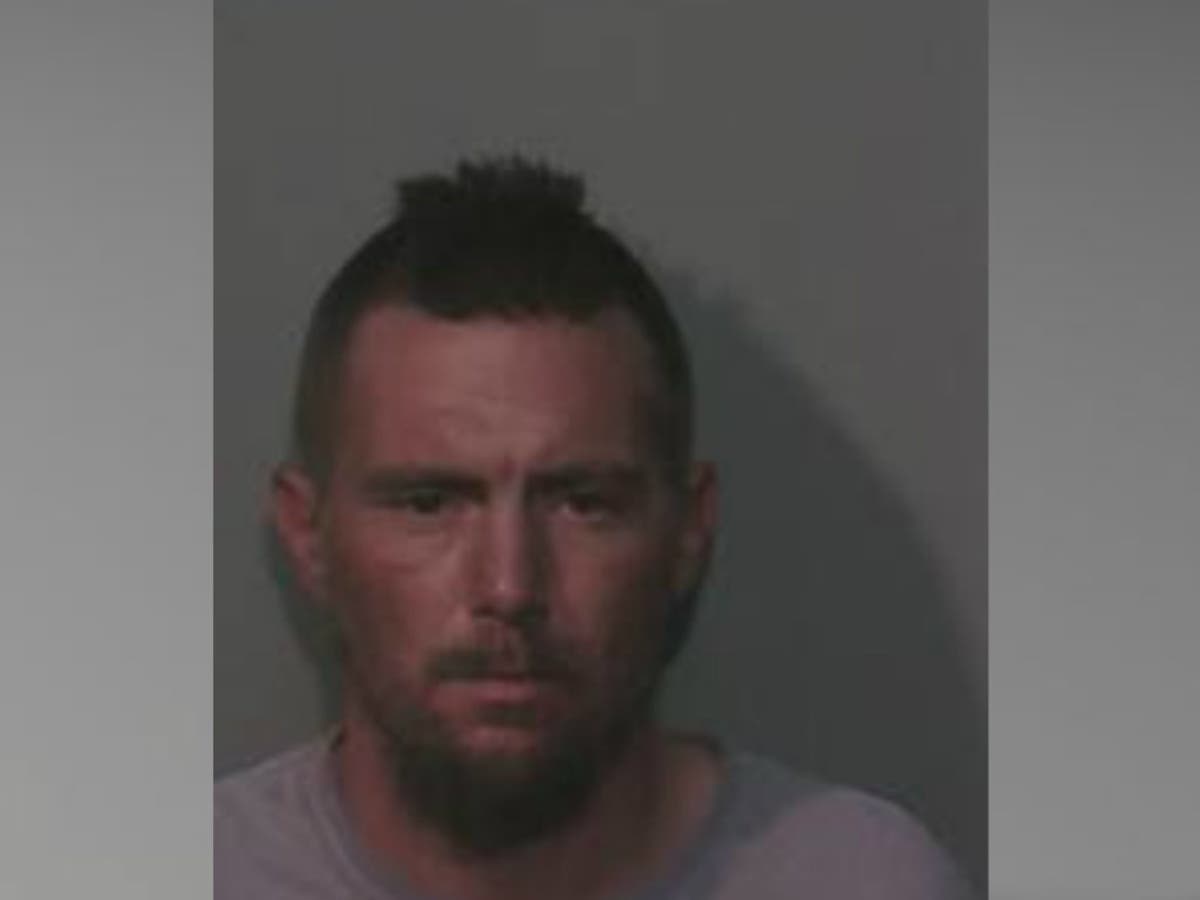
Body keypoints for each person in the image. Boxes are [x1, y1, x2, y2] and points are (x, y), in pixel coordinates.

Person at [215, 156, 972, 899]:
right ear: (307, 533)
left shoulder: (862, 881)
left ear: (688, 529)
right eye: (428, 503)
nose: (509, 587)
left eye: (583, 502)